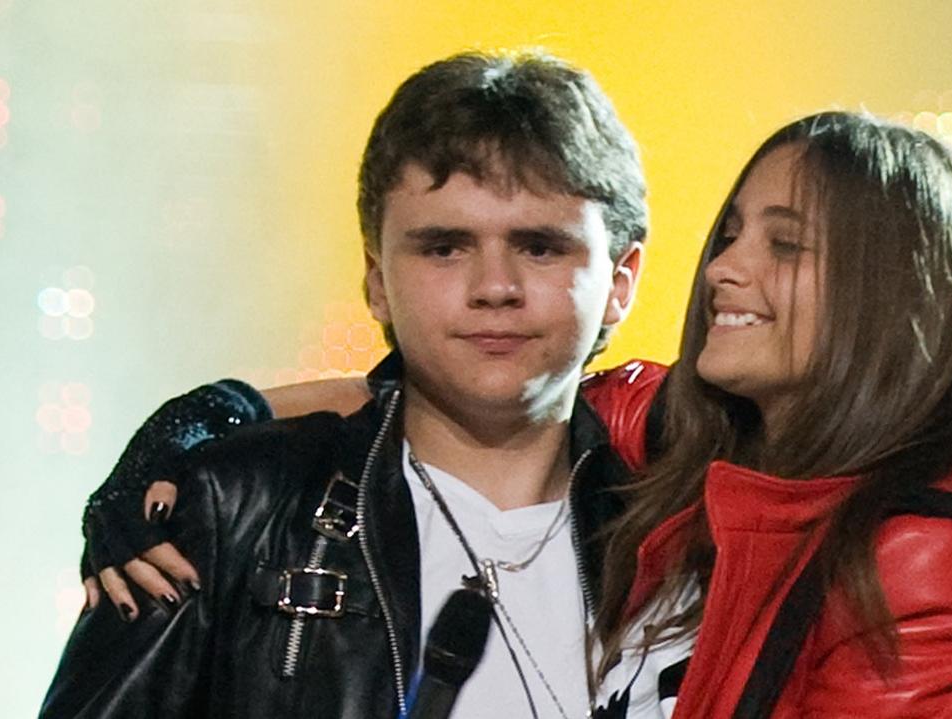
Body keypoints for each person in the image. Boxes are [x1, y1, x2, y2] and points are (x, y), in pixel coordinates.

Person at [77, 112, 952, 718]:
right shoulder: (695, 442)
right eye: (729, 234)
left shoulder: (920, 559)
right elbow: (460, 382)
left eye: (784, 244)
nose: (724, 269)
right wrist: (200, 423)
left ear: (895, 293)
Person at [42, 48, 651, 719]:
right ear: (377, 280)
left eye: (539, 246)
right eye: (444, 247)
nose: (495, 287)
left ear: (620, 281)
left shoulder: (684, 528)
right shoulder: (232, 509)